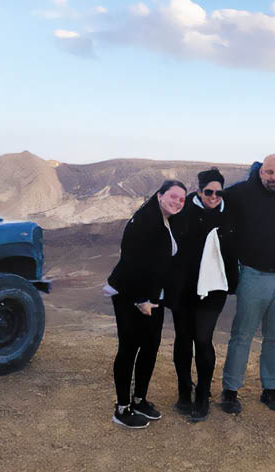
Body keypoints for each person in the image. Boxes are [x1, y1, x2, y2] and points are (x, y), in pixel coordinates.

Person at [220, 154, 275, 414]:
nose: (274, 177)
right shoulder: (240, 194)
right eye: (269, 172)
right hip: (253, 274)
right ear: (260, 172)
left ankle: (271, 387)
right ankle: (231, 389)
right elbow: (214, 205)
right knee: (242, 334)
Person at [106, 180, 187, 428]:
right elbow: (132, 262)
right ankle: (122, 408)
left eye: (182, 199)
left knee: (150, 346)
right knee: (129, 348)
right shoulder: (145, 221)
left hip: (154, 295)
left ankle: (139, 399)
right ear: (160, 195)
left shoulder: (167, 220)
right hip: (131, 294)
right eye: (173, 196)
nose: (177, 202)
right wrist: (141, 300)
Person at [173, 168, 238, 423]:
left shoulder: (228, 214)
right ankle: (183, 390)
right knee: (183, 338)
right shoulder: (183, 211)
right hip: (183, 287)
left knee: (202, 338)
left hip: (213, 288)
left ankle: (202, 393)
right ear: (199, 191)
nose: (214, 197)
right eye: (208, 192)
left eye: (219, 193)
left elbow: (234, 250)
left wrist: (232, 282)